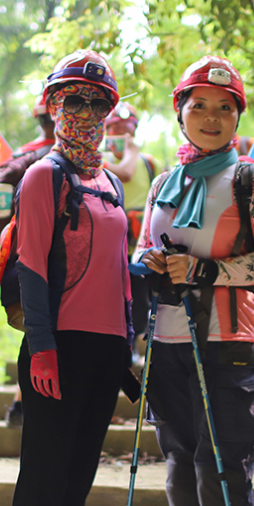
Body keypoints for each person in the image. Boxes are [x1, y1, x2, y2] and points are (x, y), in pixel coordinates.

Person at [133, 55, 254, 506]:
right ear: (181, 111)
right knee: (180, 465)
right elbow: (141, 248)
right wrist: (151, 264)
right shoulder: (163, 185)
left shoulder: (250, 181)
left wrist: (206, 271)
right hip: (167, 344)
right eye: (199, 105)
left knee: (220, 468)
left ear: (238, 116)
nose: (211, 117)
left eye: (225, 107)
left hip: (228, 346)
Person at [9, 49, 138, 506]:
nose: (85, 112)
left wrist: (129, 344)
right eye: (73, 100)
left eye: (96, 102)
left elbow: (119, 274)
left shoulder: (109, 182)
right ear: (54, 105)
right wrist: (41, 345)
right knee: (44, 477)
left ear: (109, 110)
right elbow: (32, 265)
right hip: (57, 347)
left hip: (106, 351)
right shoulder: (45, 175)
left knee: (79, 476)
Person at [0, 95, 56, 428]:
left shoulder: (21, 158)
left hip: (19, 275)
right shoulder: (77, 161)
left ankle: (22, 404)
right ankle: (30, 405)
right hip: (57, 274)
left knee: (35, 337)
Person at [102, 102, 158, 361]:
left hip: (140, 234)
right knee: (113, 290)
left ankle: (139, 342)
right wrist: (131, 152)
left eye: (127, 128)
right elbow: (123, 173)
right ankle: (118, 342)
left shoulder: (148, 162)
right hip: (111, 233)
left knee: (141, 290)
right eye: (116, 128)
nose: (123, 134)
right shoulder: (100, 160)